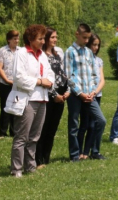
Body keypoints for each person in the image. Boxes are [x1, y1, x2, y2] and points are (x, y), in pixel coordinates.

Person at [10, 25, 54, 178]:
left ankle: (30, 166)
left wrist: (48, 81)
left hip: (42, 98)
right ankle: (16, 169)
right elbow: (19, 77)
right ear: (30, 39)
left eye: (44, 38)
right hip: (27, 99)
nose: (43, 42)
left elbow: (50, 74)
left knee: (35, 136)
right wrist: (41, 81)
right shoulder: (21, 53)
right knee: (22, 136)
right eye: (40, 39)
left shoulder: (42, 55)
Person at [65, 23, 106, 161]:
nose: (87, 41)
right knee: (74, 125)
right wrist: (80, 93)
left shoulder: (88, 52)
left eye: (88, 38)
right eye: (84, 38)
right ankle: (74, 154)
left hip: (89, 95)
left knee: (101, 120)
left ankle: (95, 151)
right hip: (76, 95)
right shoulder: (70, 52)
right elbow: (68, 76)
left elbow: (95, 75)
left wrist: (93, 92)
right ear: (77, 34)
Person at [36, 28, 70, 167]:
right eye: (52, 37)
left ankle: (46, 158)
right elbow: (43, 76)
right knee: (43, 128)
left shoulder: (57, 54)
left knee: (52, 129)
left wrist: (68, 90)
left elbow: (62, 74)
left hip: (61, 95)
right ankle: (38, 159)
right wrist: (55, 95)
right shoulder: (41, 55)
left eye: (56, 37)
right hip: (48, 94)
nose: (55, 40)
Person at [77, 34, 106, 158]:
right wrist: (88, 93)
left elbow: (102, 80)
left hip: (96, 95)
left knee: (94, 124)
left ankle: (88, 152)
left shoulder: (98, 60)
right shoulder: (82, 59)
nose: (96, 47)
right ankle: (78, 152)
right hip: (86, 96)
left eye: (98, 45)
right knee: (84, 124)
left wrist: (95, 91)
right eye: (94, 44)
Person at [0, 30, 20, 138]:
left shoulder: (21, 51)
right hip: (5, 84)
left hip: (16, 84)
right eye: (14, 39)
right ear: (9, 39)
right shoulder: (3, 50)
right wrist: (7, 80)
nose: (17, 41)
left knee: (15, 106)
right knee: (5, 107)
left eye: (17, 38)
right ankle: (2, 131)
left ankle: (13, 131)